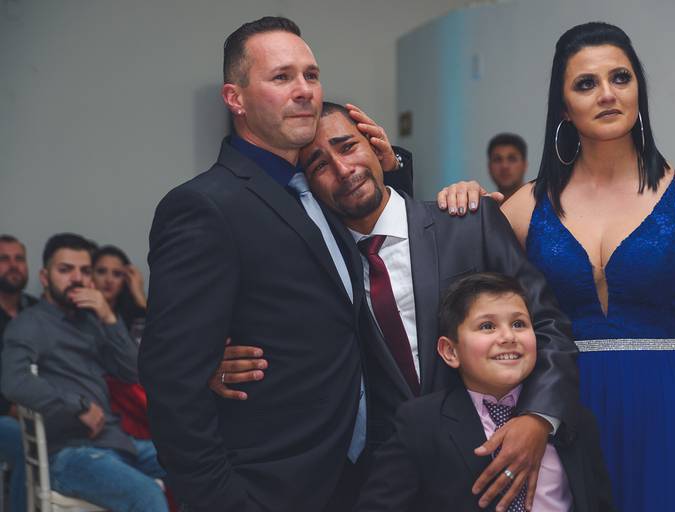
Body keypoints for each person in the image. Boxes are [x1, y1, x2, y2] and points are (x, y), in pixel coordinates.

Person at [214, 101, 579, 511]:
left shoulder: (467, 222)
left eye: (348, 146)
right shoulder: (316, 267)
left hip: (502, 453)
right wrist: (212, 365)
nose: (343, 169)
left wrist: (538, 418)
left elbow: (547, 324)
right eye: (319, 165)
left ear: (377, 148)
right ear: (307, 186)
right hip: (388, 480)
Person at [139, 17, 412, 512]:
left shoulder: (320, 191)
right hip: (270, 487)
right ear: (235, 98)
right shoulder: (204, 206)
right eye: (282, 77)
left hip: (364, 480)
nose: (304, 90)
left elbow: (382, 256)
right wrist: (222, 501)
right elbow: (172, 382)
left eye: (311, 75)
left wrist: (393, 167)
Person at [497, 22, 675, 512]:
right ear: (563, 106)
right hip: (562, 416)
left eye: (621, 78)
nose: (607, 94)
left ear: (638, 90)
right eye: (586, 83)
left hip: (672, 410)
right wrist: (460, 201)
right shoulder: (523, 209)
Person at [355, 272, 614, 511]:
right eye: (487, 326)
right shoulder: (420, 422)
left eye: (519, 324)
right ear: (450, 351)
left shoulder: (571, 419)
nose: (508, 337)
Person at [1, 233, 167, 512]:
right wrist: (77, 405)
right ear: (44, 277)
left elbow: (133, 372)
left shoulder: (91, 321)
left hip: (119, 443)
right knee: (147, 495)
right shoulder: (29, 324)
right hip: (69, 453)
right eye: (65, 270)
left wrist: (109, 318)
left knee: (203, 465)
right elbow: (14, 381)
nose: (77, 278)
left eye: (85, 271)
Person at [92, 245, 152, 439]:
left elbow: (161, 348)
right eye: (102, 271)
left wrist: (139, 296)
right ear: (90, 274)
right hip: (102, 404)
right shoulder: (78, 315)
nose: (109, 280)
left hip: (139, 399)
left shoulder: (133, 315)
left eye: (117, 274)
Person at [0, 234, 34, 512]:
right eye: (4, 259)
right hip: (4, 415)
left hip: (39, 410)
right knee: (28, 445)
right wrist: (10, 408)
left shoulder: (38, 311)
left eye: (19, 258)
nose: (13, 265)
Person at [487, 133, 528, 199]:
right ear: (489, 166)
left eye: (512, 159)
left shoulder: (540, 202)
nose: (504, 166)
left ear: (525, 165)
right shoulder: (483, 204)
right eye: (497, 159)